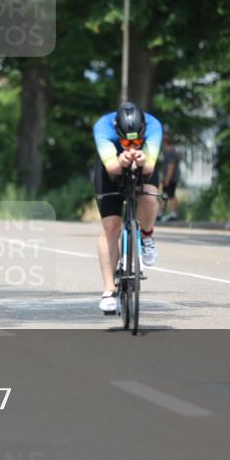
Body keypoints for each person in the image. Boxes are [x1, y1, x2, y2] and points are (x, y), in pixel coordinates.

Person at [92, 101, 163, 314]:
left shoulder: (154, 125)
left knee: (149, 199)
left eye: (137, 141)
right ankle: (108, 291)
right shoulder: (103, 127)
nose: (131, 145)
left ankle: (147, 236)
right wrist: (121, 159)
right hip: (111, 165)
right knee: (111, 226)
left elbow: (150, 166)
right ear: (117, 132)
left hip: (142, 165)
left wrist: (141, 159)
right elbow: (112, 167)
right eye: (125, 141)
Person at [159, 134, 181, 222]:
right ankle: (160, 213)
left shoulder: (171, 152)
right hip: (169, 178)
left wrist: (167, 179)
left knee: (171, 195)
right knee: (166, 195)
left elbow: (171, 167)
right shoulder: (170, 152)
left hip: (171, 178)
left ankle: (173, 213)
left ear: (165, 143)